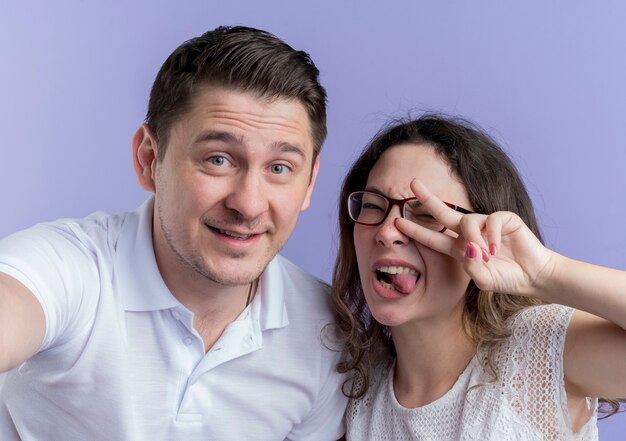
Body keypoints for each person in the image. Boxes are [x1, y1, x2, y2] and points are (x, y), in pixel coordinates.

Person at [0, 26, 347, 440]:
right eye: (218, 159)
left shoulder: (327, 332)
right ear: (149, 159)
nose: (249, 204)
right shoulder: (71, 267)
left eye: (279, 169)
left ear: (308, 184)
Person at [332, 114, 626, 440]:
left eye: (427, 214)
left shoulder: (536, 350)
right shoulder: (353, 391)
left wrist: (546, 273)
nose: (388, 232)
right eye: (373, 206)